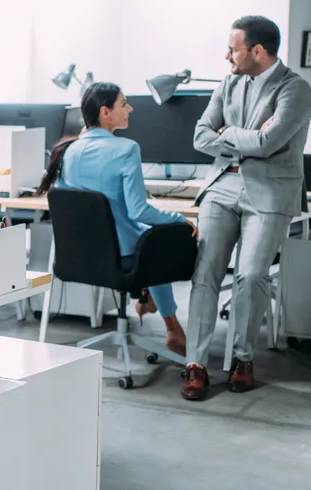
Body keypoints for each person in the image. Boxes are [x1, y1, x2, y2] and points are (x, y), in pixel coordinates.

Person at [185, 16, 311, 400]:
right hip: (222, 185)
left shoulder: (295, 89)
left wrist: (228, 134)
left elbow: (269, 141)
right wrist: (243, 138)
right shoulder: (229, 83)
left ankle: (242, 358)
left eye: (234, 49)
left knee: (251, 275)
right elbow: (200, 135)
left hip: (270, 192)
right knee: (204, 272)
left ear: (257, 51)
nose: (227, 56)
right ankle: (195, 363)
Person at [35, 82, 195, 356]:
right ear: (105, 113)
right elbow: (138, 211)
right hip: (120, 255)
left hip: (81, 256)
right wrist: (180, 219)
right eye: (124, 103)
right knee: (167, 237)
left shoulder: (67, 151)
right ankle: (169, 324)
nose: (130, 108)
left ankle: (149, 301)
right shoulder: (126, 149)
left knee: (147, 237)